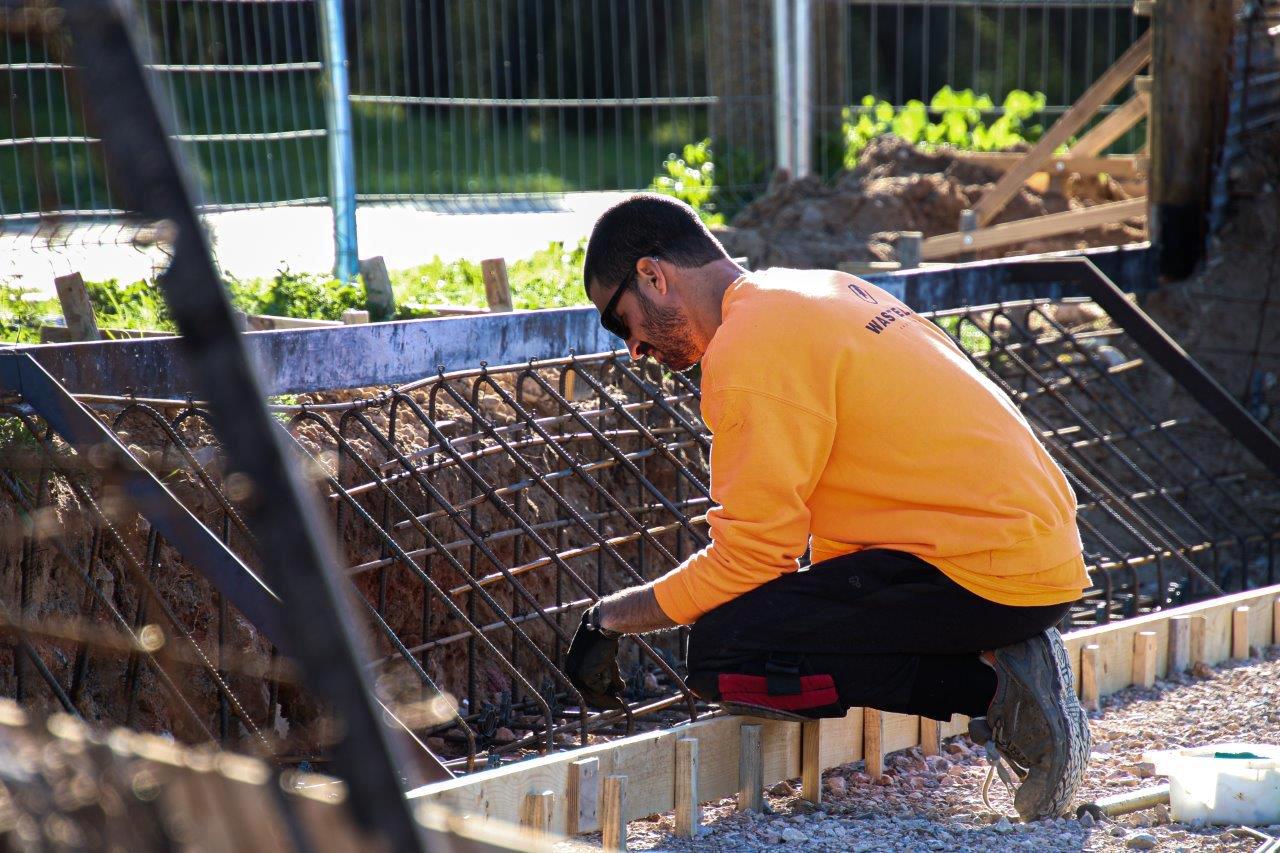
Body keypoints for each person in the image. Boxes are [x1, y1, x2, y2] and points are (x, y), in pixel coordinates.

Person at [564, 193, 1091, 820]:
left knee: (725, 654)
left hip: (987, 574)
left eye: (621, 322)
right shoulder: (815, 291)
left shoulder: (748, 350)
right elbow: (845, 531)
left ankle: (1000, 690)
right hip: (1035, 552)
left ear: (654, 275)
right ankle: (1004, 657)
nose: (633, 349)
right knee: (788, 624)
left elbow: (753, 559)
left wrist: (609, 619)